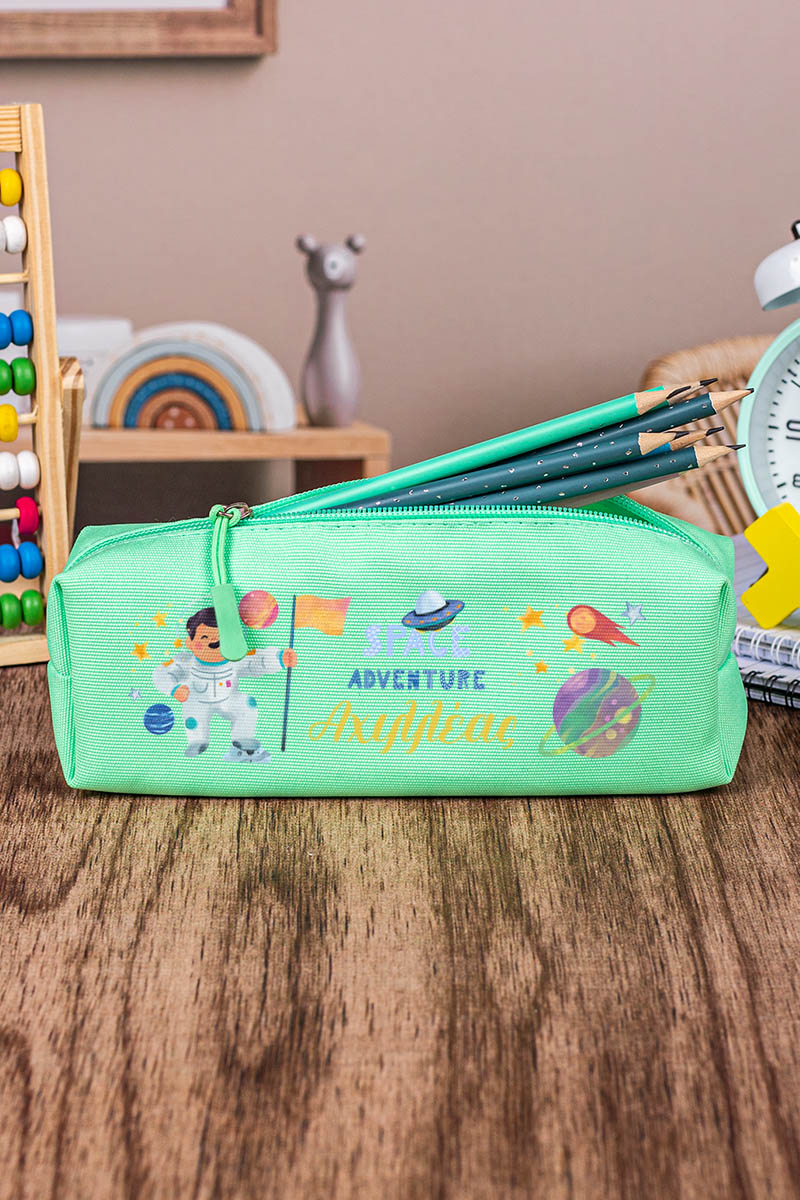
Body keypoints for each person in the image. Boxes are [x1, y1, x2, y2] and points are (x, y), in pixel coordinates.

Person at [153, 605, 297, 763]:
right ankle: (197, 740)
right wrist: (173, 689)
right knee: (193, 713)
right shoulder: (186, 662)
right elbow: (163, 672)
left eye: (222, 638)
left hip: (228, 699)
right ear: (190, 642)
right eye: (204, 637)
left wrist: (279, 658)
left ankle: (243, 737)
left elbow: (256, 661)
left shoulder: (235, 659)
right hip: (198, 700)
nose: (214, 642)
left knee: (247, 704)